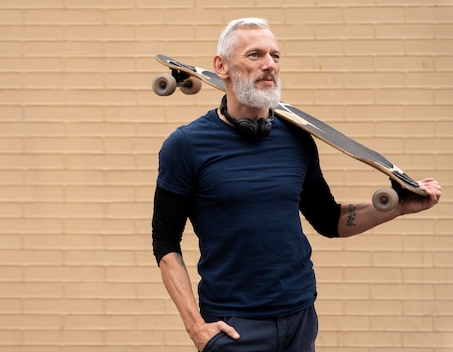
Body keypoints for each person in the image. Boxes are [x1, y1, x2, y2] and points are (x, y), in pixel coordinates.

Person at [151, 17, 441, 352]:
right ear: (222, 66)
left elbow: (329, 219)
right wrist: (196, 328)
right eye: (255, 55)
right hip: (234, 326)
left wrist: (400, 207)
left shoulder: (297, 137)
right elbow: (165, 240)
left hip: (300, 316)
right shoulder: (186, 145)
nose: (269, 65)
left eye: (275, 56)